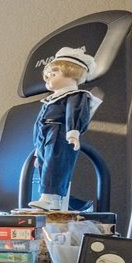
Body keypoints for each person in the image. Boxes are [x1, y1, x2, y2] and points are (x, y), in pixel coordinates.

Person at [29, 46, 102, 211]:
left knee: (54, 166)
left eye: (53, 75)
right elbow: (39, 122)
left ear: (71, 74)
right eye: (47, 76)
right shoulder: (50, 100)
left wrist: (73, 133)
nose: (48, 80)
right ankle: (50, 199)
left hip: (59, 132)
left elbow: (74, 114)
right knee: (44, 165)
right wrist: (37, 148)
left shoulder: (75, 96)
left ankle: (49, 198)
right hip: (45, 134)